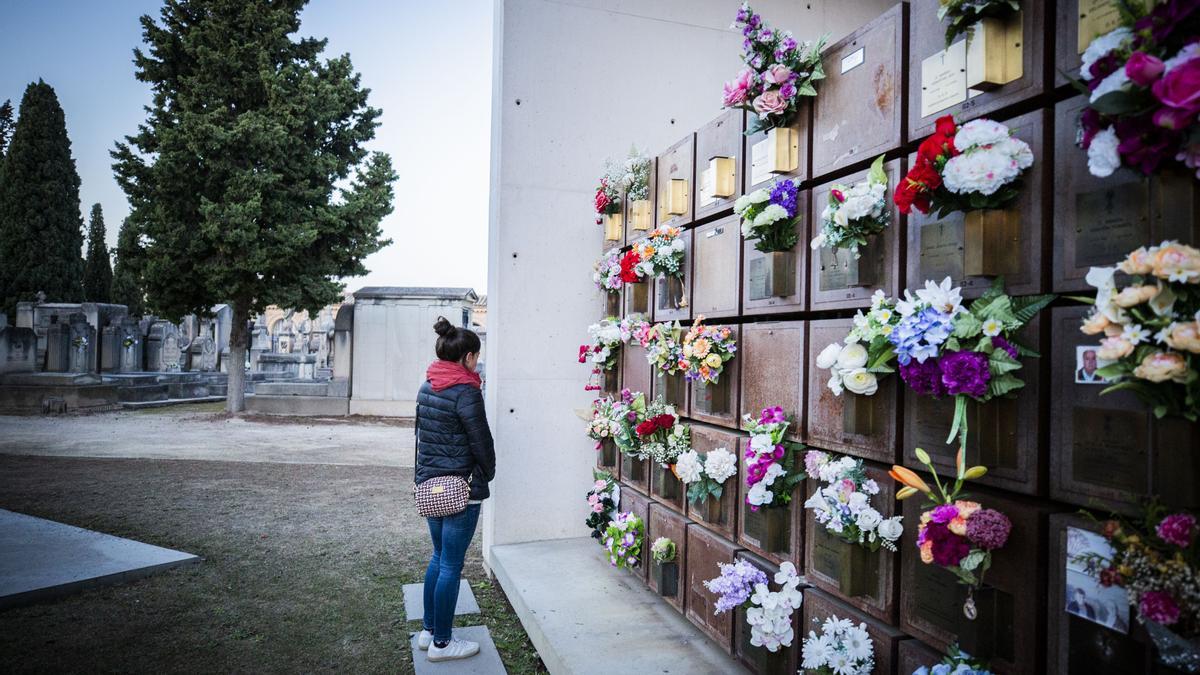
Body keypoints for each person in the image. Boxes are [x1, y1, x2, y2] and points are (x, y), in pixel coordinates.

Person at [413, 317, 495, 662]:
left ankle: (429, 630)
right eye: (476, 356)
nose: (477, 361)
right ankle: (443, 644)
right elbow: (481, 442)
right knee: (450, 566)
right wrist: (487, 475)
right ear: (468, 357)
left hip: (431, 485)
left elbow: (420, 439)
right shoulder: (467, 391)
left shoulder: (427, 386)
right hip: (461, 487)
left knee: (438, 558)